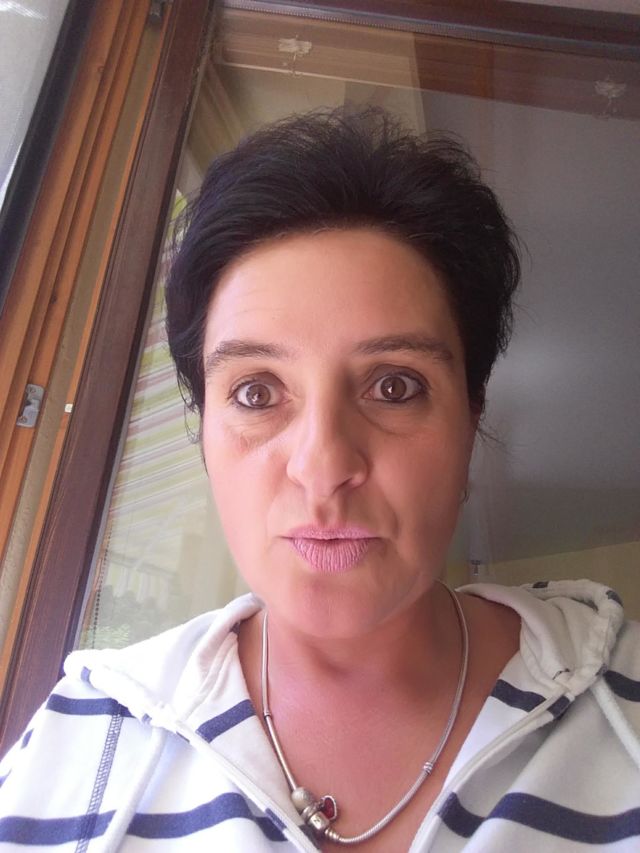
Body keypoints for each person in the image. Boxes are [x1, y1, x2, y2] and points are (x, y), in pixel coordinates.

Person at [0, 107, 638, 852]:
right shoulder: (80, 742)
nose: (325, 466)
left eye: (394, 386)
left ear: (471, 419)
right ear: (204, 434)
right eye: (256, 392)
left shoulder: (622, 708)